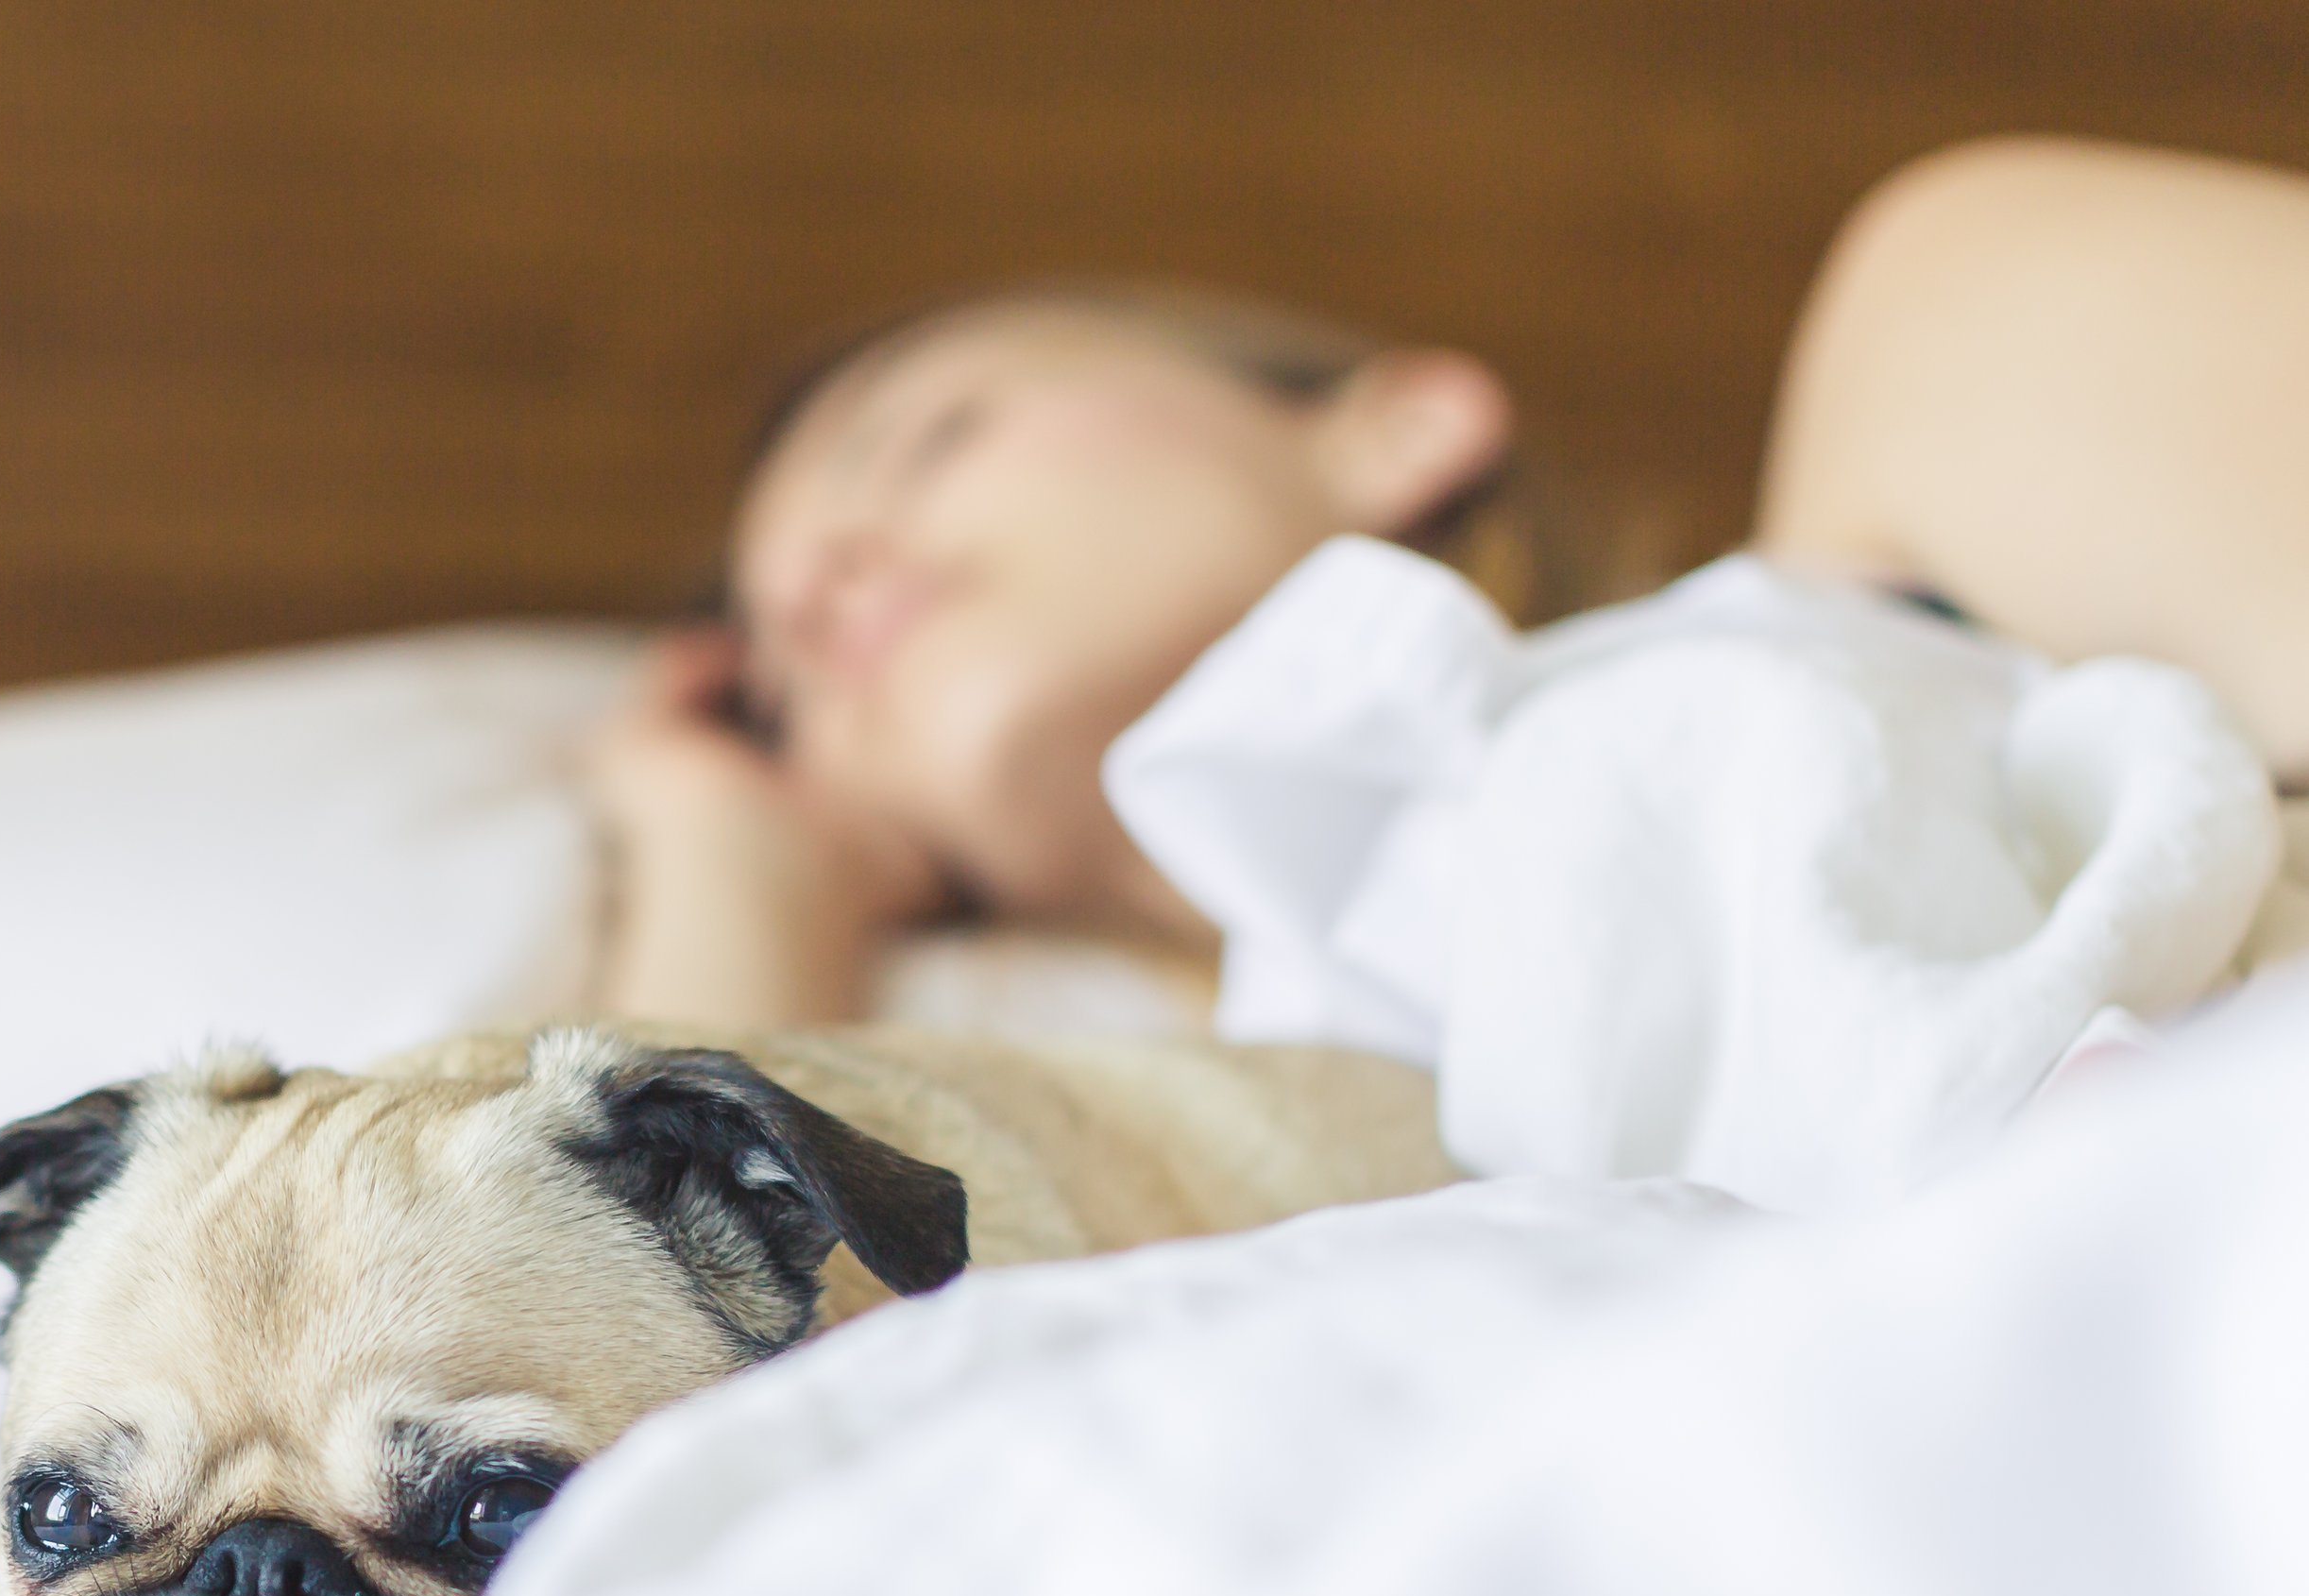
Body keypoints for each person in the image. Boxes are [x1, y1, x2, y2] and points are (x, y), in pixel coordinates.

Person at [586, 136, 2309, 1030]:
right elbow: (604, 1406)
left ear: (1397, 426)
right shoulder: (1185, 1217)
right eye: (778, 676)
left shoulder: (1940, 372)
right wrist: (729, 863)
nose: (815, 574)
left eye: (925, 438)